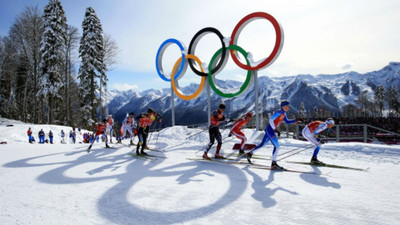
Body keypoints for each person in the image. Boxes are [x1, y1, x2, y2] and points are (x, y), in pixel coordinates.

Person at [247, 100, 300, 169]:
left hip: (269, 129)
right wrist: (274, 129)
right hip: (270, 130)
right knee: (277, 146)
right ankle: (273, 163)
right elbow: (270, 120)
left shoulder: (284, 113)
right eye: (288, 106)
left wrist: (295, 120)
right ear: (283, 106)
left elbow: (287, 121)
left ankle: (250, 153)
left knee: (263, 144)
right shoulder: (279, 112)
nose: (289, 108)